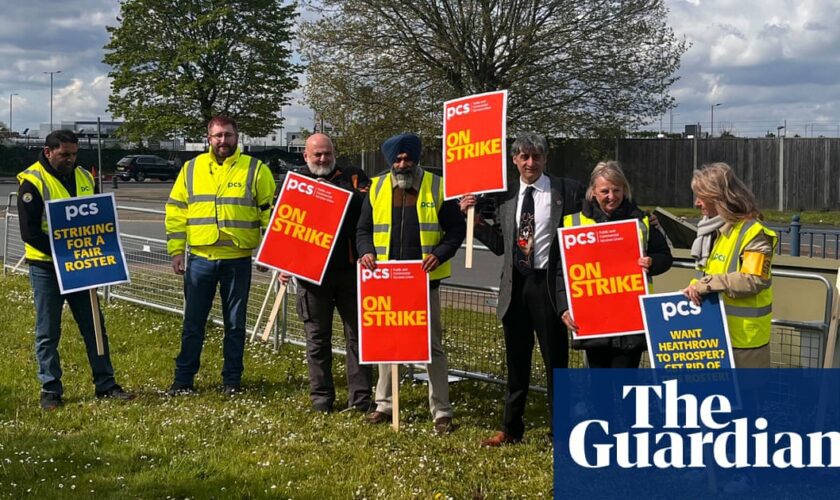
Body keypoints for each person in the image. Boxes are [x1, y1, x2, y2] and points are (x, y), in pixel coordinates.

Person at [460, 132, 584, 446]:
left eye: (537, 156)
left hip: (549, 287)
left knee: (556, 363)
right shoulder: (506, 195)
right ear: (515, 160)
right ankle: (511, 429)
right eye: (524, 157)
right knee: (516, 362)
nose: (531, 162)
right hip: (516, 286)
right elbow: (500, 245)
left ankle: (561, 431)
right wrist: (473, 221)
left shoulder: (566, 191)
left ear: (545, 159)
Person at [17, 130, 135, 410]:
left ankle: (106, 384)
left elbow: (97, 219)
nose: (70, 159)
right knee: (48, 331)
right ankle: (50, 390)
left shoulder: (84, 177)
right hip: (46, 268)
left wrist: (94, 254)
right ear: (48, 152)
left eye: (74, 153)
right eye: (64, 154)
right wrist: (66, 254)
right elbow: (29, 232)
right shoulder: (32, 182)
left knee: (94, 326)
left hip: (81, 266)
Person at [357, 132, 466, 435]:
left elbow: (456, 231)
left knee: (431, 347)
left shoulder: (437, 186)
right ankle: (384, 405)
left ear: (417, 159)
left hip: (423, 282)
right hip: (385, 282)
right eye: (397, 158)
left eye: (408, 158)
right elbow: (363, 229)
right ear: (389, 160)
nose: (402, 163)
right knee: (386, 344)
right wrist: (366, 252)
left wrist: (440, 254)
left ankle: (441, 411)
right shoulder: (377, 187)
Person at [165, 115, 276, 395]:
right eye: (217, 136)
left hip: (237, 260)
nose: (223, 141)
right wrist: (177, 250)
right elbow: (176, 211)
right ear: (208, 138)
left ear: (238, 137)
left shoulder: (255, 169)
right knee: (193, 324)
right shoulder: (191, 169)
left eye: (228, 135)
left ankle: (232, 381)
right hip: (200, 259)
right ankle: (183, 381)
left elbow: (270, 214)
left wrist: (268, 252)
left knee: (235, 325)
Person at [279, 133, 373, 413]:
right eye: (316, 154)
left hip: (350, 271)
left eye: (327, 154)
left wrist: (331, 195)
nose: (322, 159)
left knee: (357, 337)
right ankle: (321, 399)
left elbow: (368, 210)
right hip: (311, 275)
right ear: (305, 157)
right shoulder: (294, 182)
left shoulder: (354, 177)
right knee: (317, 339)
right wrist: (283, 262)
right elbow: (283, 225)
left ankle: (360, 399)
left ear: (334, 153)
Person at [560, 160, 673, 368]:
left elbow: (665, 257)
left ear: (625, 190)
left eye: (617, 190)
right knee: (599, 388)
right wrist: (564, 308)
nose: (611, 196)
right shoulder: (573, 223)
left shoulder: (642, 220)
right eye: (605, 191)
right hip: (593, 322)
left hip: (631, 323)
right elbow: (560, 272)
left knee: (624, 389)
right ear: (593, 191)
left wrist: (652, 262)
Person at [682, 162, 776, 368]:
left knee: (746, 399)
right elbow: (715, 272)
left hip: (744, 342)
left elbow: (754, 279)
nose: (697, 203)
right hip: (716, 333)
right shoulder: (715, 231)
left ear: (718, 197)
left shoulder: (754, 233)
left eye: (701, 196)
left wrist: (705, 285)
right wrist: (695, 287)